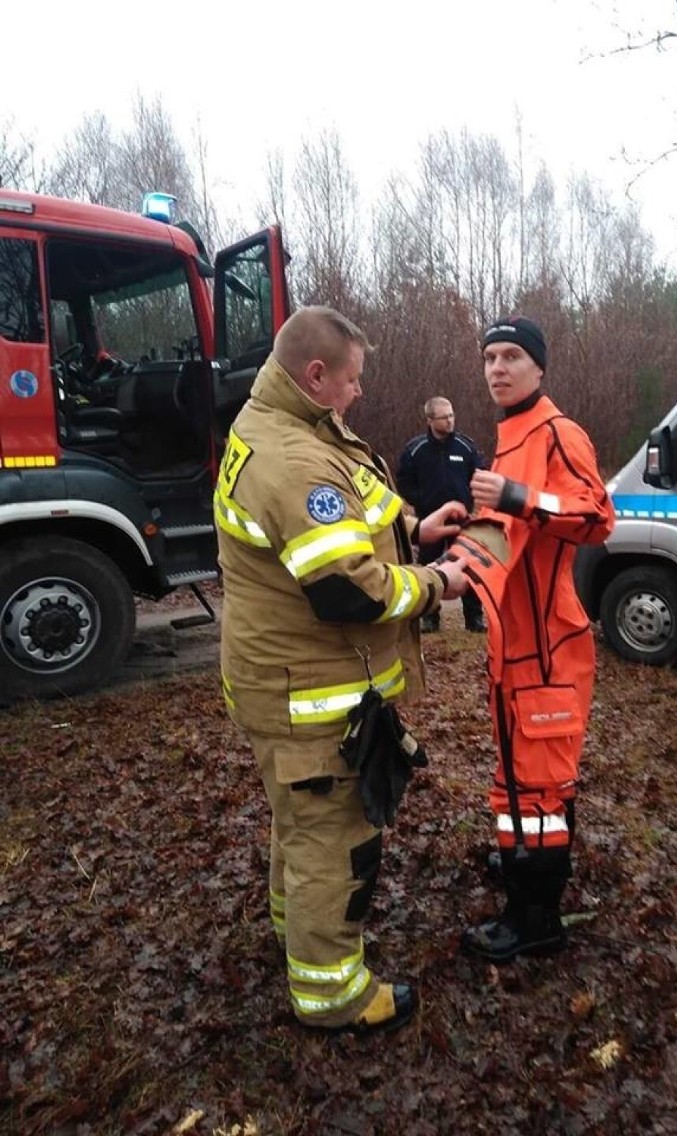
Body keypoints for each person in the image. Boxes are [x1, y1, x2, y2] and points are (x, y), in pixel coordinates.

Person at [214, 306, 469, 1033]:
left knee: (299, 822)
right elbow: (345, 589)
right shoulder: (291, 457)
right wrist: (436, 584)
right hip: (309, 694)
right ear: (317, 375)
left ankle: (294, 932)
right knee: (336, 839)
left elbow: (360, 496)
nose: (360, 393)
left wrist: (418, 526)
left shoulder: (293, 421)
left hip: (280, 683)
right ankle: (334, 996)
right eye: (352, 380)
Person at [450, 316, 615, 964]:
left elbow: (596, 519)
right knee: (522, 781)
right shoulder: (508, 436)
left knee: (539, 788)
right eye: (490, 356)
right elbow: (507, 534)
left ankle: (536, 919)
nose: (497, 367)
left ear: (538, 368)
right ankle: (525, 873)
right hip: (512, 646)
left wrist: (519, 496)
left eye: (512, 355)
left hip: (549, 648)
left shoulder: (556, 432)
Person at [396, 396, 487, 633]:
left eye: (452, 415)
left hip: (461, 520)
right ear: (429, 420)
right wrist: (421, 500)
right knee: (429, 567)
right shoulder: (415, 450)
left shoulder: (465, 447)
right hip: (429, 522)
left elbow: (480, 473)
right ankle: (430, 618)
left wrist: (470, 498)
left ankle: (474, 617)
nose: (450, 421)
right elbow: (403, 481)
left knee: (468, 565)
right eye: (444, 417)